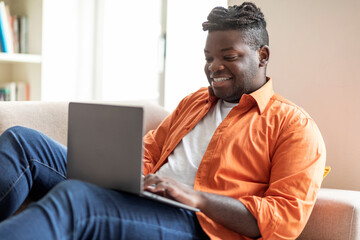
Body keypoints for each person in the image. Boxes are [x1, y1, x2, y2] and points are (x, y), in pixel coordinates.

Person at [0, 2, 326, 240]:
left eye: (228, 57)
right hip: (147, 195)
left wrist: (194, 197)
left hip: (197, 223)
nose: (214, 67)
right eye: (209, 58)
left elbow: (282, 221)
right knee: (22, 142)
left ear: (262, 56)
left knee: (76, 200)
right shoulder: (196, 101)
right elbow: (151, 150)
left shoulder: (294, 127)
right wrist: (125, 175)